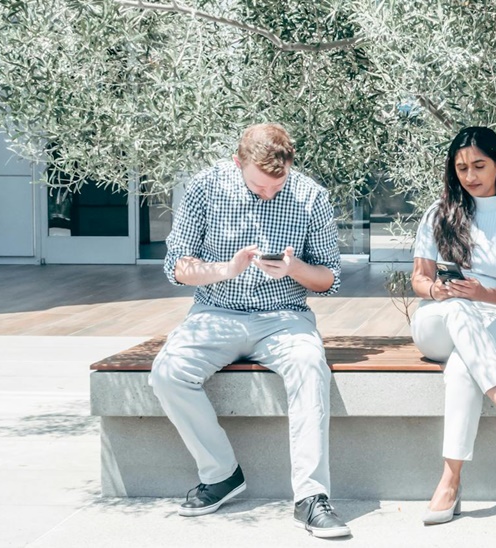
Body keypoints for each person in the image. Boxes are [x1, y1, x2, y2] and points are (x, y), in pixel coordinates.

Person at [149, 123, 350, 538]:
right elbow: (176, 268)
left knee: (311, 367)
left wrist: (294, 268)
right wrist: (225, 269)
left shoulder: (310, 196)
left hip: (284, 315)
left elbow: (331, 279)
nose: (269, 194)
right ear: (238, 162)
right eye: (260, 187)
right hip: (215, 311)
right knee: (167, 373)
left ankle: (311, 497)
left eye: (277, 187)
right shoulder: (205, 187)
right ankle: (221, 473)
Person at [409, 127, 496, 525]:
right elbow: (419, 278)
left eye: (479, 166)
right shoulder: (439, 212)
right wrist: (440, 291)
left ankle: (450, 481)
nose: (470, 176)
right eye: (462, 168)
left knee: (464, 366)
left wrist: (480, 291)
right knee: (459, 307)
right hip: (438, 320)